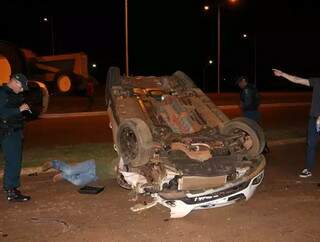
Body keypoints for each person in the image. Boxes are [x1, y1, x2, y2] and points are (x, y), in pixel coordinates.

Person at [273, 68, 320, 178]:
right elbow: (297, 79)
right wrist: (283, 74)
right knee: (311, 144)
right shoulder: (317, 81)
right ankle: (308, 169)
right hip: (314, 120)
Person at [0, 73, 31, 202]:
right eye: (22, 86)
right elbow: (2, 112)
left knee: (16, 161)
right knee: (13, 161)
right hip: (8, 132)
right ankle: (10, 191)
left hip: (15, 132)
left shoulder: (12, 94)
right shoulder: (2, 93)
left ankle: (13, 188)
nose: (22, 89)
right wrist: (19, 109)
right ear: (15, 82)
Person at [236, 76, 270, 153]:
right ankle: (264, 147)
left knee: (249, 130)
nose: (239, 85)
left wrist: (242, 106)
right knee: (258, 130)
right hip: (256, 112)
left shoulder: (247, 90)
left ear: (244, 81)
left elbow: (248, 102)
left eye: (240, 83)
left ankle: (251, 149)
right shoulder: (253, 88)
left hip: (250, 113)